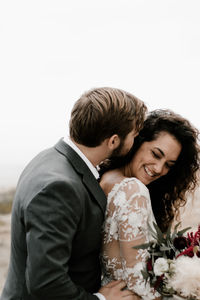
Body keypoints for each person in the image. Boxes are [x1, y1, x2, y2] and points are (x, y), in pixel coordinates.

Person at [0, 87, 147, 300]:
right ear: (113, 141)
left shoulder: (49, 157)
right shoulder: (59, 188)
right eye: (134, 135)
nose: (135, 141)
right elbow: (46, 282)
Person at [99, 109, 200, 299]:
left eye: (169, 165)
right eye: (156, 154)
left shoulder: (107, 178)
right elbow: (137, 281)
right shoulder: (134, 191)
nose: (159, 169)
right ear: (138, 141)